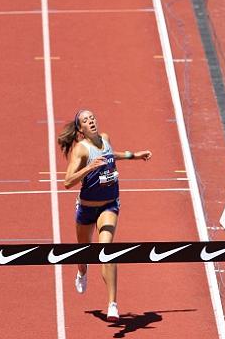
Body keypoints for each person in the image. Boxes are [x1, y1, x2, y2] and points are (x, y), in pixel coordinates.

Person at [57, 109, 152, 322]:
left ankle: (112, 304)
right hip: (86, 208)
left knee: (107, 249)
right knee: (84, 253)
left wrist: (133, 155)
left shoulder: (106, 139)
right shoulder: (81, 150)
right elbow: (67, 182)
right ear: (80, 129)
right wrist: (89, 168)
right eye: (85, 120)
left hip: (109, 206)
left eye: (92, 118)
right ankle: (82, 271)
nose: (91, 121)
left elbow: (111, 154)